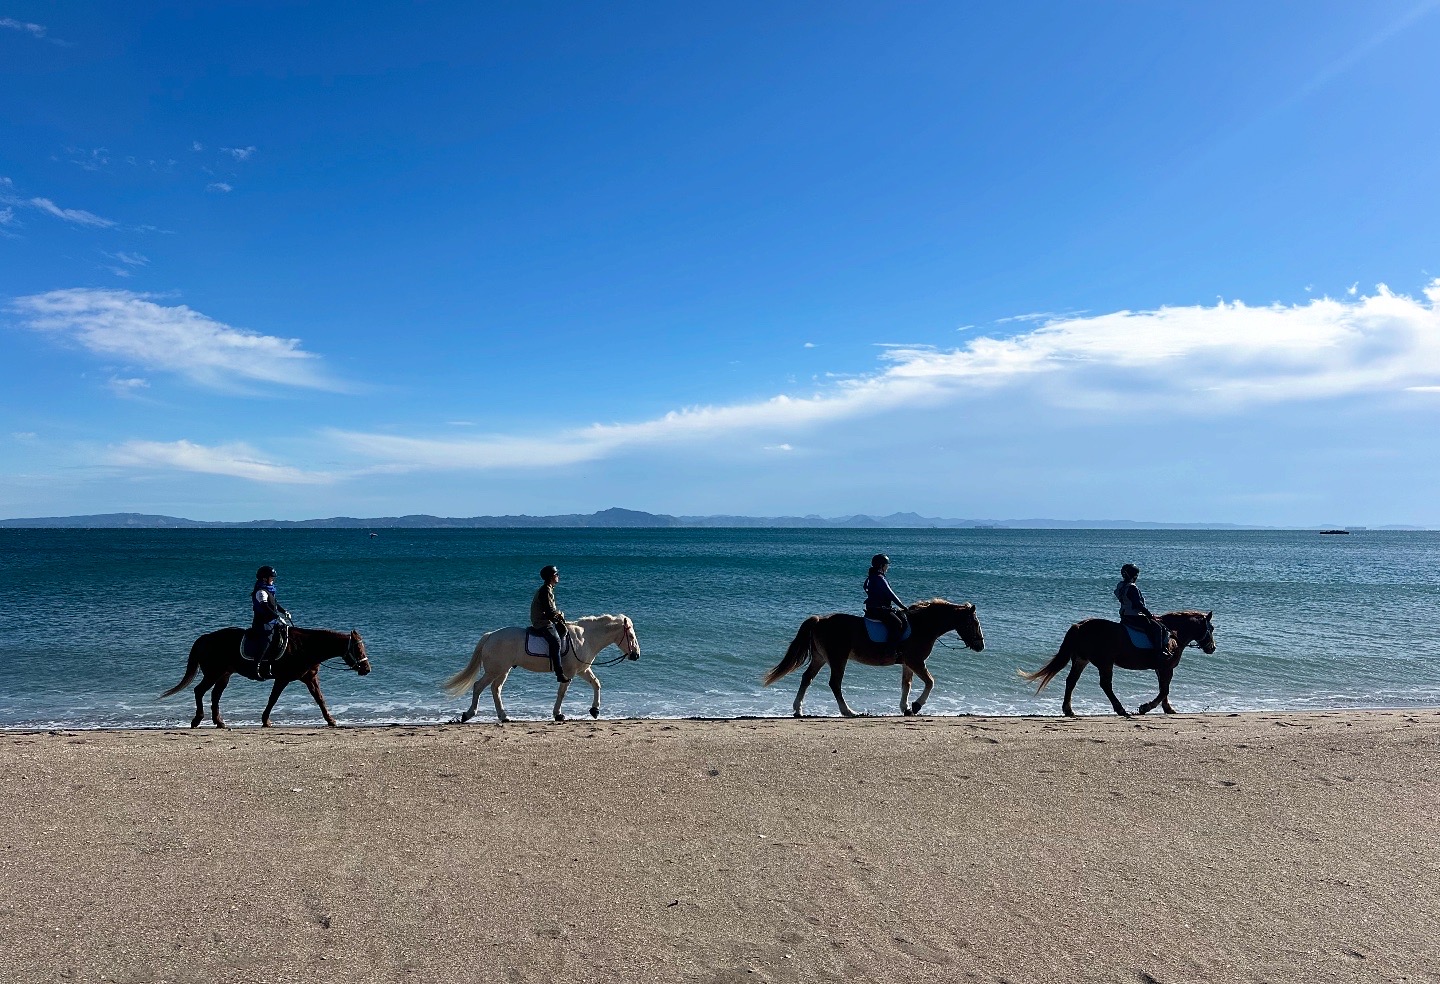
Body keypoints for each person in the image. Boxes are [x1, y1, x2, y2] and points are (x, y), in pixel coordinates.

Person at [1114, 563, 1173, 656]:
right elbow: (1139, 605)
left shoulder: (1121, 586)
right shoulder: (1132, 588)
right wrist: (1151, 616)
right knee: (1158, 628)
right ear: (1135, 576)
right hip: (1134, 616)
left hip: (1124, 615)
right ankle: (1159, 653)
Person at [250, 565, 290, 680]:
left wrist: (284, 612)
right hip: (262, 623)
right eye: (271, 578)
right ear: (264, 578)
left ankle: (269, 667)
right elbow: (265, 607)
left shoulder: (269, 590)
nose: (273, 580)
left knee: (280, 638)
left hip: (271, 621)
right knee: (266, 641)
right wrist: (277, 617)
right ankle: (255, 669)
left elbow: (274, 604)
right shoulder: (260, 592)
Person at [863, 553, 907, 655]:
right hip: (879, 609)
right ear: (882, 566)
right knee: (898, 623)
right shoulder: (879, 578)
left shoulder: (871, 577)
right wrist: (903, 606)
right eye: (887, 565)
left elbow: (866, 589)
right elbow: (891, 594)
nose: (888, 567)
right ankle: (890, 650)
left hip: (873, 608)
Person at [530, 564, 568, 682]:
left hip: (545, 619)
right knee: (556, 641)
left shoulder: (548, 588)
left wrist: (558, 618)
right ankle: (559, 673)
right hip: (542, 622)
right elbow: (550, 611)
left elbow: (550, 610)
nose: (558, 576)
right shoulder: (546, 590)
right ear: (552, 577)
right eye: (556, 574)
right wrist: (559, 616)